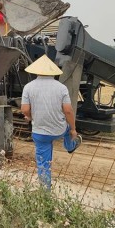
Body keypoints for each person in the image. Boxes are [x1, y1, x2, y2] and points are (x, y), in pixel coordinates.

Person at [21, 54, 82, 189]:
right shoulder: (61, 88)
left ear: (36, 71)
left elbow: (24, 109)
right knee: (67, 130)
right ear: (53, 72)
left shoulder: (28, 87)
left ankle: (45, 192)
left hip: (40, 133)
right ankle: (70, 146)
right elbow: (68, 111)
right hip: (59, 129)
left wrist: (31, 117)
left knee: (44, 164)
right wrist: (73, 129)